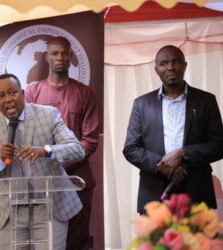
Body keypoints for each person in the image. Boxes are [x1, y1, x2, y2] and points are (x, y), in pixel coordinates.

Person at [0, 73, 85, 250]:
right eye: (1, 96)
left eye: (12, 93)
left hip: (49, 206)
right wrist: (0, 160)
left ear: (23, 93)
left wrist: (46, 151)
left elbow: (77, 149)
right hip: (12, 211)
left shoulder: (48, 115)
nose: (8, 99)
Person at [123, 45, 223, 214]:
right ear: (156, 70)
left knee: (197, 241)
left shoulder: (206, 101)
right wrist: (162, 166)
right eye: (164, 63)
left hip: (196, 191)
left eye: (175, 62)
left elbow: (219, 145)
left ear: (184, 65)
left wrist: (183, 153)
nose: (170, 67)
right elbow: (131, 149)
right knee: (157, 241)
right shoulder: (142, 104)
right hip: (155, 194)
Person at [25, 36, 99, 250]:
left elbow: (90, 141)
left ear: (70, 57)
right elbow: (26, 136)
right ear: (46, 57)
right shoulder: (32, 92)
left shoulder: (85, 93)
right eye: (55, 53)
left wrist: (60, 160)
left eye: (65, 53)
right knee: (43, 241)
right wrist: (50, 163)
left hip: (78, 180)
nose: (60, 57)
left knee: (77, 241)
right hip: (42, 182)